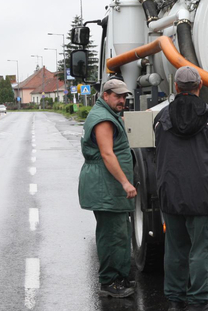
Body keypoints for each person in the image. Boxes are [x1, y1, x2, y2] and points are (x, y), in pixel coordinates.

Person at [154, 66, 208, 311]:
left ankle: (175, 300)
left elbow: (159, 149)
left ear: (176, 87)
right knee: (202, 249)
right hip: (203, 193)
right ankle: (200, 301)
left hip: (170, 192)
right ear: (200, 86)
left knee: (176, 249)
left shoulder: (161, 118)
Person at [78, 78, 137, 298]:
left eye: (124, 97)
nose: (122, 100)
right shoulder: (103, 119)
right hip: (106, 185)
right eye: (117, 96)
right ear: (106, 96)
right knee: (111, 235)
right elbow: (107, 154)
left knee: (120, 232)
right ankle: (109, 282)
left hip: (109, 185)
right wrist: (125, 182)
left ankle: (119, 277)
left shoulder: (108, 114)